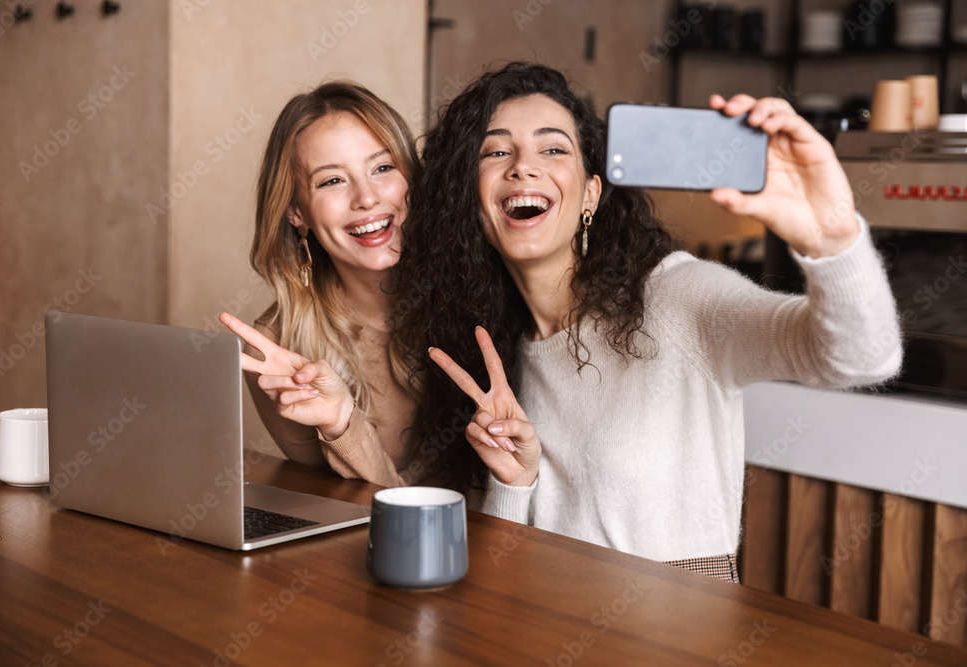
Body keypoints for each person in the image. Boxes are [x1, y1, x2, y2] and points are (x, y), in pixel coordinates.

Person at [389, 62, 902, 583]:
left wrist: (833, 237)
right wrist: (512, 483)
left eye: (552, 148)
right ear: (471, 202)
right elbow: (500, 576)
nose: (523, 166)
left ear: (590, 194)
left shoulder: (676, 297)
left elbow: (861, 358)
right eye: (496, 151)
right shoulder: (491, 347)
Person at [219, 82, 424, 488]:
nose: (366, 198)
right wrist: (339, 423)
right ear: (297, 212)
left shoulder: (475, 291)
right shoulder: (280, 346)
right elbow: (361, 513)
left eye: (383, 168)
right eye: (332, 181)